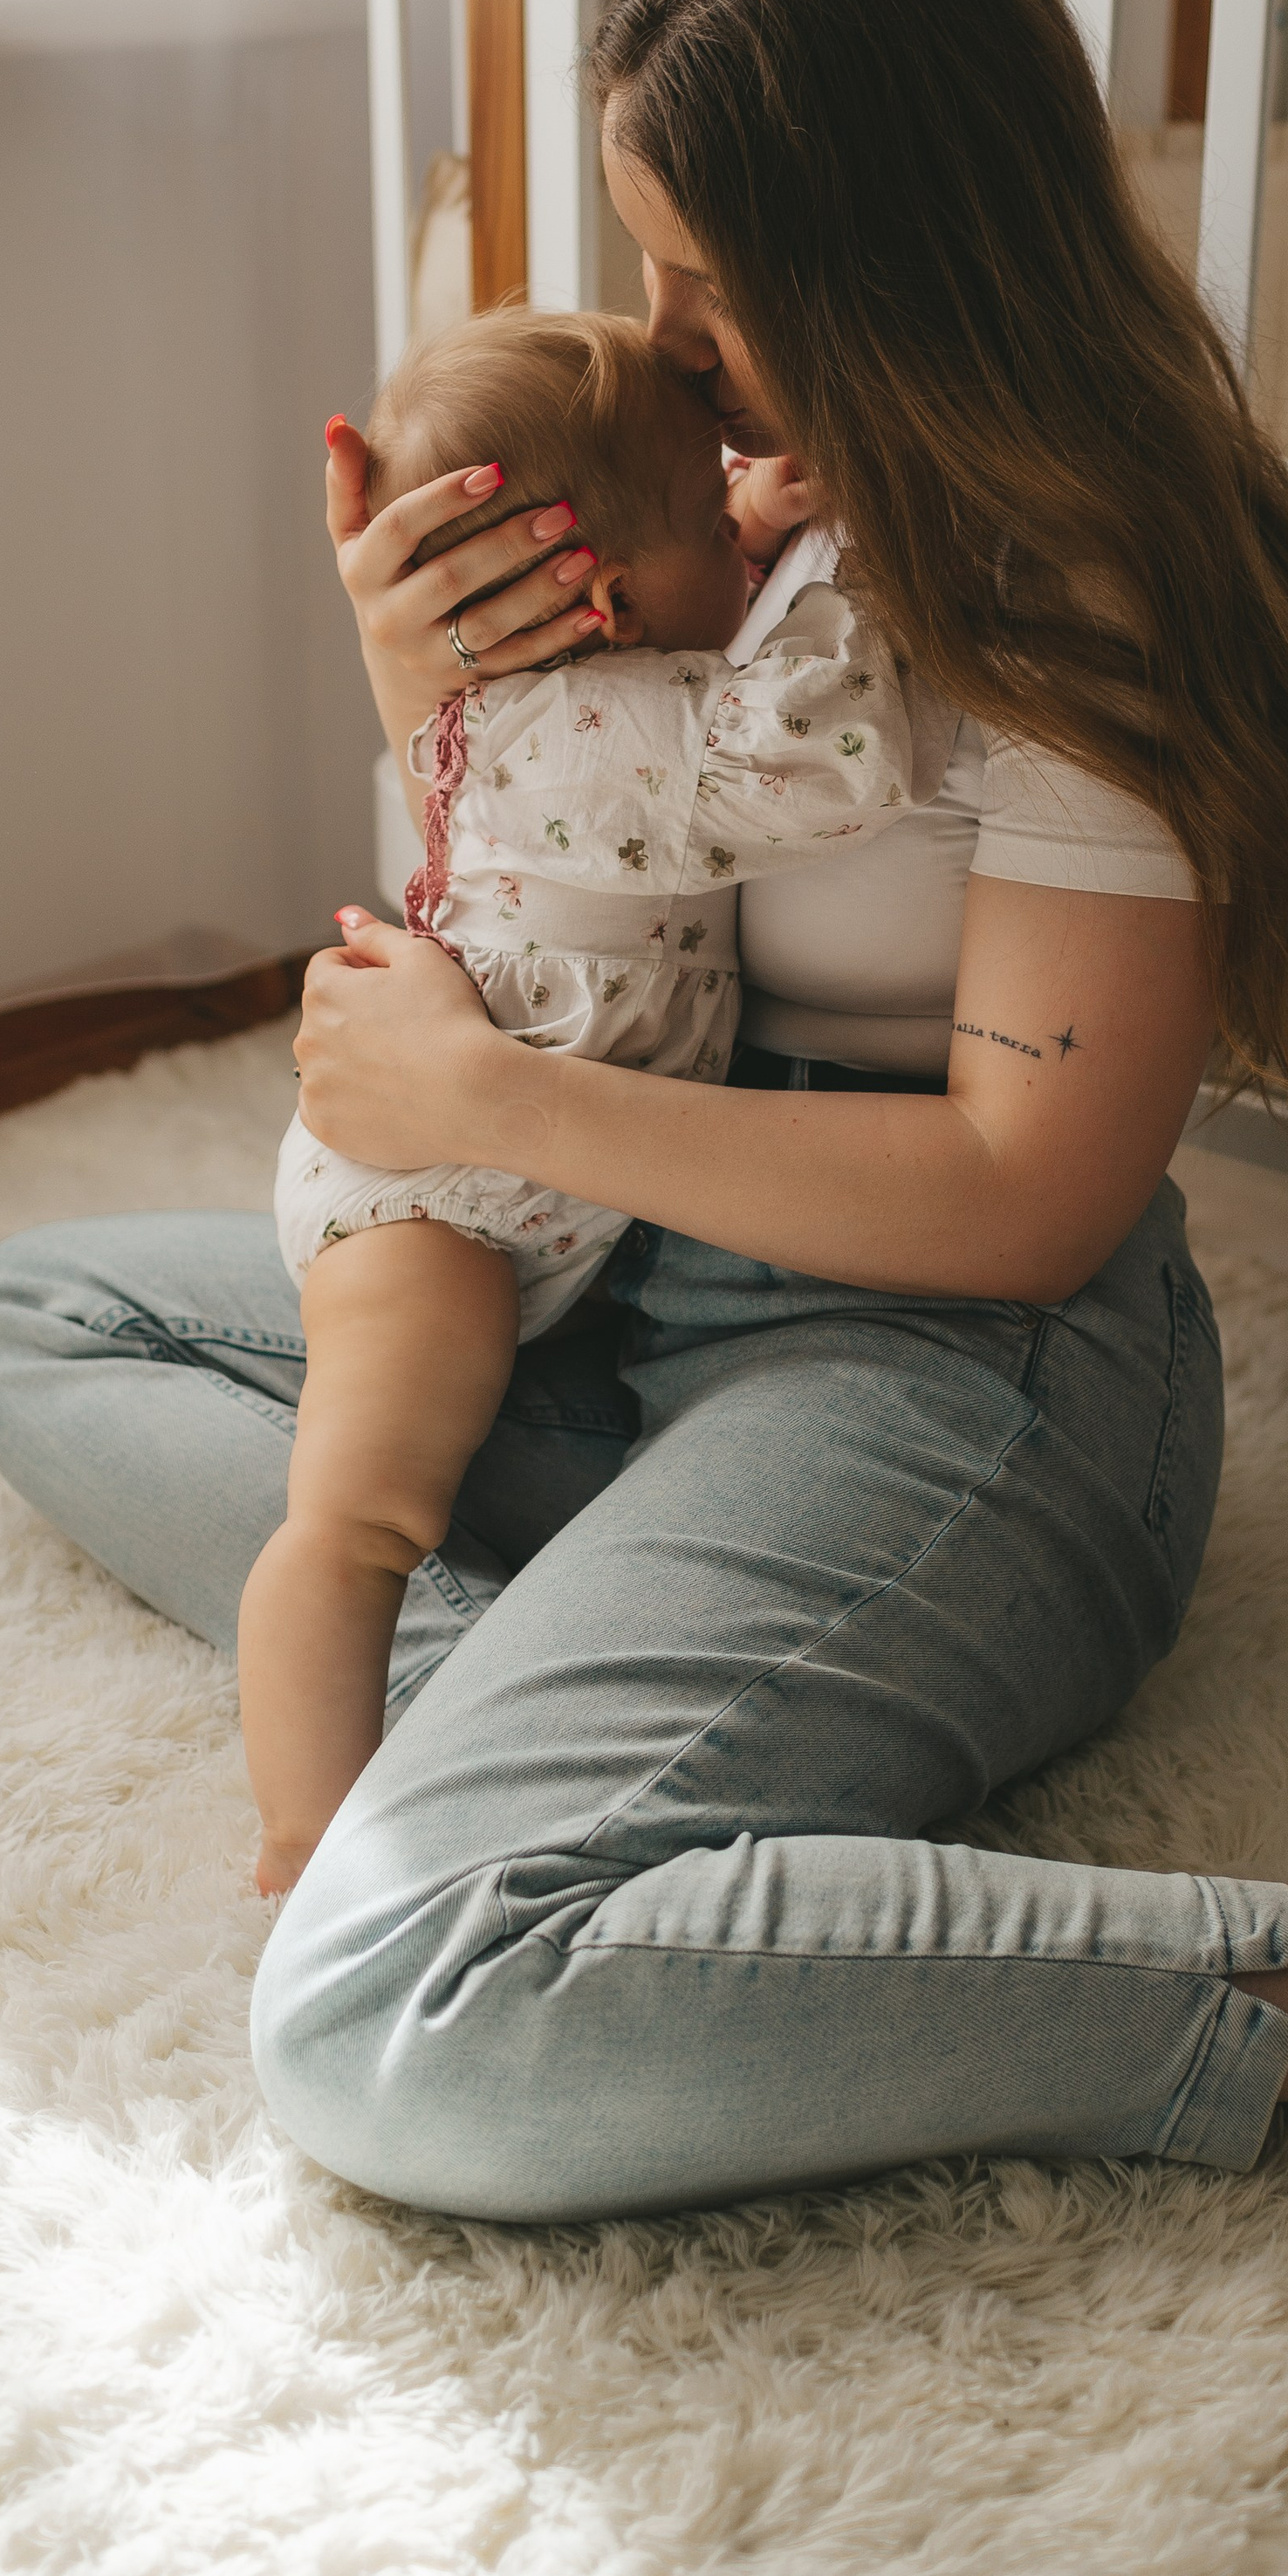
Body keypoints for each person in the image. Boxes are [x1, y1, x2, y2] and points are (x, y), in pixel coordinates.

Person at [0, 0, 1288, 2219]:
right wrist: (431, 696)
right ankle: (629, 1711)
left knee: (397, 2008)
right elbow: (591, 868)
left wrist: (490, 1101)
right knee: (42, 1316)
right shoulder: (729, 495)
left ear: (889, 257)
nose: (661, 340)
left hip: (965, 1358)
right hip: (638, 1269)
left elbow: (1024, 1196)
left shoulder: (1094, 583)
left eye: (707, 275)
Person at [245, 304, 921, 1893]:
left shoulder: (556, 677)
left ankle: (514, 1674)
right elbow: (828, 756)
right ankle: (303, 1837)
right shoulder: (620, 727)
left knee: (374, 1475)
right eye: (715, 516)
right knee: (356, 1518)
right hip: (436, 1199)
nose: (750, 549)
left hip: (502, 1168)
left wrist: (734, 518)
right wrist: (873, 552)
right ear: (602, 594)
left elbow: (692, 583)